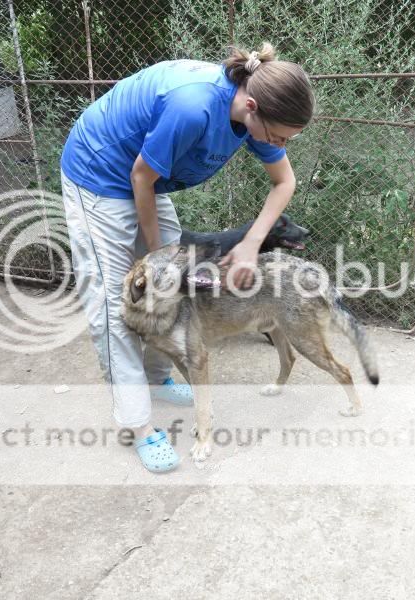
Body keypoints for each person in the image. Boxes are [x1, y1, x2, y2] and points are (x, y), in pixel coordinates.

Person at [59, 43, 315, 472]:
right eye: (278, 136)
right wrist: (159, 256)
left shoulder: (253, 116)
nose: (279, 145)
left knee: (175, 291)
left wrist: (252, 243)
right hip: (99, 174)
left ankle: (157, 377)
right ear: (252, 106)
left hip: (145, 180)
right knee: (114, 304)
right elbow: (141, 174)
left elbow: (283, 183)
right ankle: (137, 425)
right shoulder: (194, 106)